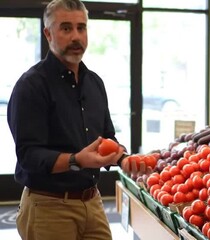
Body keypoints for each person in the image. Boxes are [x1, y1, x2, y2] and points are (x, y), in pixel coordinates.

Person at [7, 0, 146, 239]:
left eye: (81, 28)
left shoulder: (94, 83)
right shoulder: (31, 86)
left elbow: (105, 138)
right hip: (48, 208)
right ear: (48, 33)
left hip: (92, 202)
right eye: (66, 28)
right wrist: (76, 160)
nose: (76, 37)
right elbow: (29, 156)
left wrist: (123, 158)